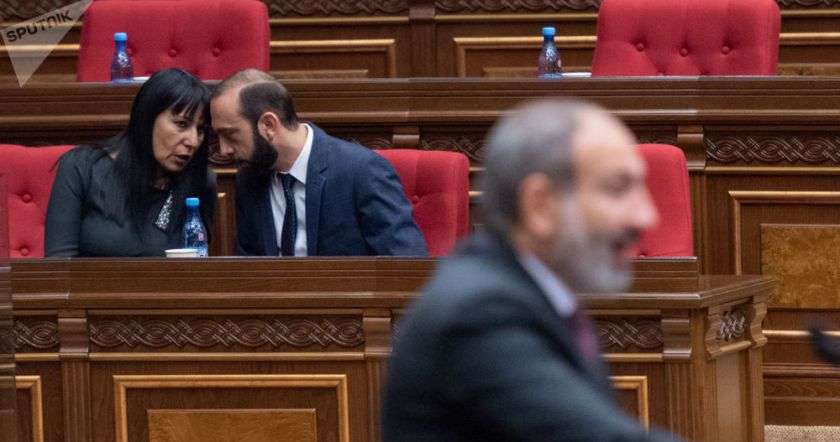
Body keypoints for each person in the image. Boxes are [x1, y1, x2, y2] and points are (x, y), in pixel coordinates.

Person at [383, 99, 679, 441]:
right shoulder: (478, 315)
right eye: (617, 188)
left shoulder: (531, 291)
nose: (646, 217)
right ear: (540, 205)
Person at [209, 69, 427, 256]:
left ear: (268, 125)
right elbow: (249, 266)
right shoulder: (250, 179)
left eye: (230, 134)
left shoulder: (361, 171)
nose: (224, 150)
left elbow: (405, 264)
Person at [45, 68, 215, 257]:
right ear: (147, 118)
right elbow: (59, 265)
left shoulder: (199, 182)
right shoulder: (82, 167)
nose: (193, 141)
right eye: (181, 124)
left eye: (200, 130)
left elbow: (202, 264)